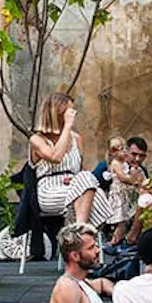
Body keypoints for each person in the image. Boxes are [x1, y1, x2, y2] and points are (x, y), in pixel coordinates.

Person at [29, 93, 113, 228]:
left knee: (86, 179)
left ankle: (79, 227)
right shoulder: (37, 140)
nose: (73, 115)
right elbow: (56, 157)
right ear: (58, 112)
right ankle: (83, 232)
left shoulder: (76, 139)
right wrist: (67, 126)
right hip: (50, 190)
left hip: (74, 186)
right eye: (70, 111)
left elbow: (81, 171)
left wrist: (75, 180)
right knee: (96, 195)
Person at [106, 137, 145, 248]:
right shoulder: (114, 164)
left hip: (129, 197)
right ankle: (115, 240)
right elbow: (123, 177)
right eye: (133, 154)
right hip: (119, 195)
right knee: (121, 219)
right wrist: (133, 179)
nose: (137, 159)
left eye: (125, 149)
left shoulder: (136, 168)